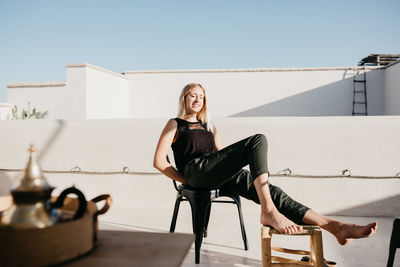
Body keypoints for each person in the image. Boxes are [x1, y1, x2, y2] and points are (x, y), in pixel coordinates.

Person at [153, 82, 377, 245]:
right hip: (195, 172)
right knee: (257, 140)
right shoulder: (176, 124)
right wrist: (187, 180)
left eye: (201, 96)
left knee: (274, 192)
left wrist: (231, 173)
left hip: (214, 172)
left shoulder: (210, 126)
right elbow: (159, 161)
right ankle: (268, 211)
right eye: (192, 95)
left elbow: (222, 157)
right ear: (184, 99)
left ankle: (334, 226)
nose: (197, 100)